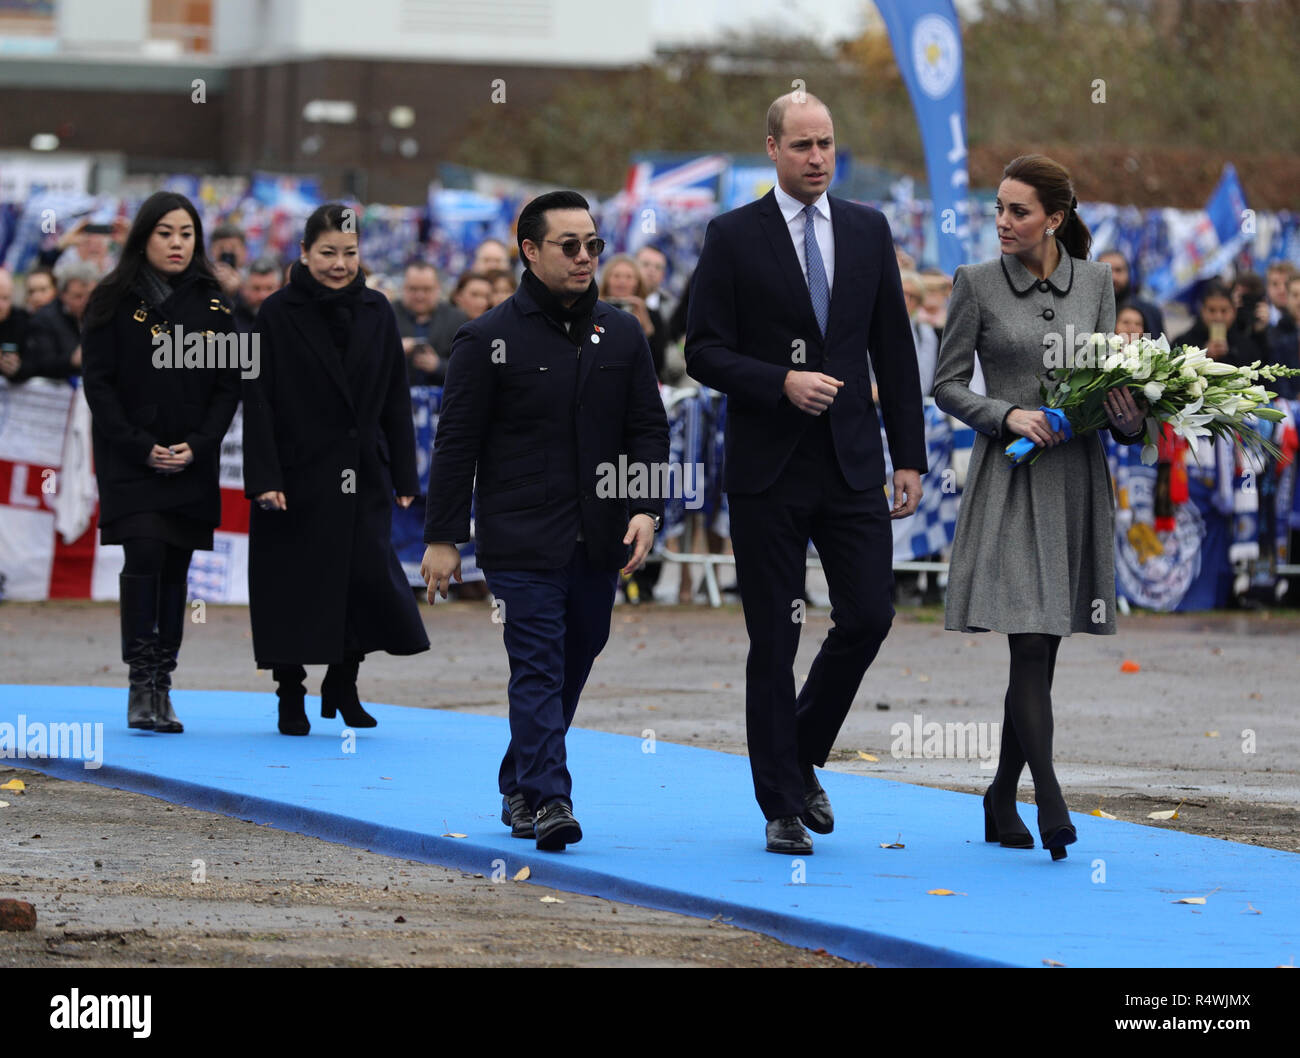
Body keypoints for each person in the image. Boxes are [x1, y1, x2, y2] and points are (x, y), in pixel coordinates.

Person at [685, 92, 927, 855]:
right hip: (769, 468)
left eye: (826, 143)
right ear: (771, 148)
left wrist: (910, 455)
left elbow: (893, 347)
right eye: (802, 146)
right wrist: (777, 381)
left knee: (868, 617)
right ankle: (780, 804)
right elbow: (702, 351)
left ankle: (798, 753)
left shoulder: (867, 228)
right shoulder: (732, 237)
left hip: (853, 461)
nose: (817, 157)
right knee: (774, 638)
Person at [421, 190, 669, 852]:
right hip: (520, 539)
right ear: (529, 251)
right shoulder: (487, 338)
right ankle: (552, 797)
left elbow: (648, 427)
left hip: (601, 536)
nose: (585, 256)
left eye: (594, 245)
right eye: (570, 246)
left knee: (575, 657)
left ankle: (519, 781)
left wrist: (646, 506)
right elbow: (456, 445)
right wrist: (444, 538)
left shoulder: (621, 333)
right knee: (536, 664)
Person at [932, 154, 1147, 862]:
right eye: (997, 207)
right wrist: (1005, 415)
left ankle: (999, 794)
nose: (1002, 221)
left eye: (1018, 211)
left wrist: (1127, 418)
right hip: (1014, 480)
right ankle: (1048, 795)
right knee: (1026, 638)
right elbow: (948, 384)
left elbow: (1114, 390)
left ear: (1054, 218)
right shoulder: (975, 284)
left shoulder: (1095, 283)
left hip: (1075, 479)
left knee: (1042, 648)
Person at [243, 203, 430, 736]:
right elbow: (257, 399)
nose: (339, 263)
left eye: (349, 253)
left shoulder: (377, 310)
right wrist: (265, 478)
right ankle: (289, 692)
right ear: (304, 253)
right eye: (328, 253)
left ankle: (343, 683)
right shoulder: (276, 313)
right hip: (296, 477)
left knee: (362, 582)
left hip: (362, 474)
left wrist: (405, 479)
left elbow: (396, 397)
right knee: (294, 587)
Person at [80, 191, 241, 733]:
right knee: (145, 551)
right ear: (144, 237)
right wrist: (136, 444)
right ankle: (139, 679)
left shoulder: (215, 303)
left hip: (191, 461)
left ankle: (162, 683)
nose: (177, 243)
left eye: (186, 234)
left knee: (176, 567)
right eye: (165, 233)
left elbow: (228, 385)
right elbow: (98, 385)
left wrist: (199, 444)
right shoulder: (110, 300)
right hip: (131, 460)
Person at [393, 260, 467, 386]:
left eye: (426, 289)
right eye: (413, 289)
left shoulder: (457, 318)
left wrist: (438, 366)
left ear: (438, 288)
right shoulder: (388, 315)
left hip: (443, 400)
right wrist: (394, 350)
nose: (420, 296)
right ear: (403, 288)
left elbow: (468, 368)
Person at [21, 261, 97, 380]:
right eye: (78, 296)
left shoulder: (100, 313)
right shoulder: (44, 319)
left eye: (90, 295)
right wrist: (72, 360)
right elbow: (43, 364)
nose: (86, 301)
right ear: (62, 295)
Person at [1098, 250, 1166, 340]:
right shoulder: (1086, 310)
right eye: (1106, 271)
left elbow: (1162, 351)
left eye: (1118, 270)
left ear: (1128, 273)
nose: (1113, 277)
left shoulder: (1150, 312)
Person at [232, 257, 281, 333]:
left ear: (279, 288)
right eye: (256, 288)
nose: (262, 296)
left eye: (269, 288)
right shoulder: (232, 321)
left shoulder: (288, 322)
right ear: (243, 289)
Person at [0, 268, 30, 383]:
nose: (1, 305)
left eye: (5, 298)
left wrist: (17, 368)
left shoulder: (22, 320)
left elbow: (36, 362)